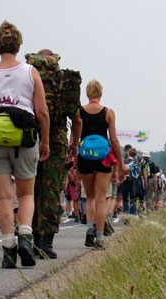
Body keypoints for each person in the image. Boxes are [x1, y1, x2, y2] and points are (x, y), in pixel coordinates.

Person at [0, 21, 50, 268]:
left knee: (5, 197)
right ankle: (26, 236)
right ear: (19, 45)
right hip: (25, 137)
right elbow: (42, 112)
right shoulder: (30, 72)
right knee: (26, 193)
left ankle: (9, 249)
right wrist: (45, 140)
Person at [26, 49, 82, 260]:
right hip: (57, 140)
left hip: (29, 137)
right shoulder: (63, 82)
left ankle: (28, 236)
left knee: (29, 190)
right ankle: (46, 242)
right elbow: (76, 120)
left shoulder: (28, 77)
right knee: (51, 190)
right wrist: (73, 144)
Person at [77, 79, 127, 249]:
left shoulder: (79, 112)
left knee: (89, 197)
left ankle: (89, 228)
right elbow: (114, 139)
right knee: (100, 198)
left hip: (84, 156)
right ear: (101, 93)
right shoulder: (108, 113)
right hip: (103, 157)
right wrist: (120, 163)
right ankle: (99, 237)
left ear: (87, 93)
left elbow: (74, 138)